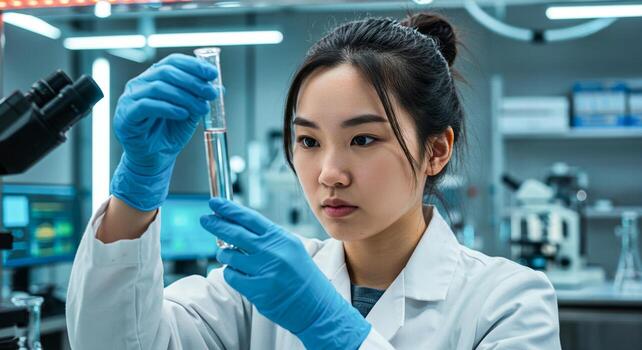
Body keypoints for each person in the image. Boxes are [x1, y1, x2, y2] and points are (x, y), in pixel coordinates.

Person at [66, 12, 561, 349]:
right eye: (308, 141)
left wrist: (337, 332)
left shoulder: (507, 300)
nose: (329, 173)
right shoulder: (253, 293)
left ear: (436, 151)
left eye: (363, 139)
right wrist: (136, 189)